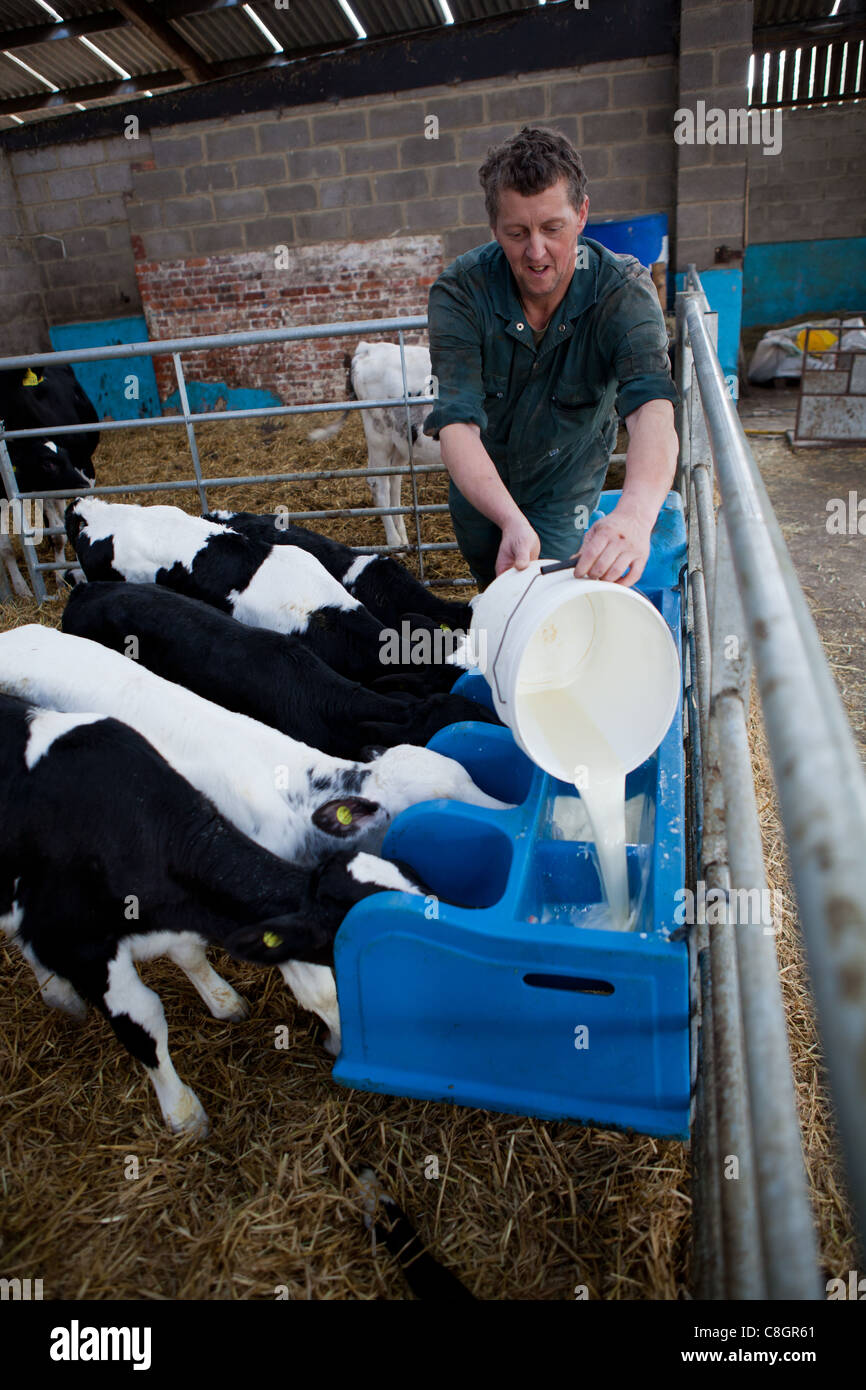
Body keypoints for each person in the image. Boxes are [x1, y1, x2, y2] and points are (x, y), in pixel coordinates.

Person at [423, 126, 680, 590]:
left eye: (552, 229)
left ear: (582, 214)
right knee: (498, 594)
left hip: (566, 492)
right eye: (517, 233)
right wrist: (508, 519)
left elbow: (651, 410)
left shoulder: (621, 292)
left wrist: (635, 518)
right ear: (493, 227)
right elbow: (456, 423)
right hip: (481, 491)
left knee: (553, 602)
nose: (536, 252)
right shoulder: (460, 292)